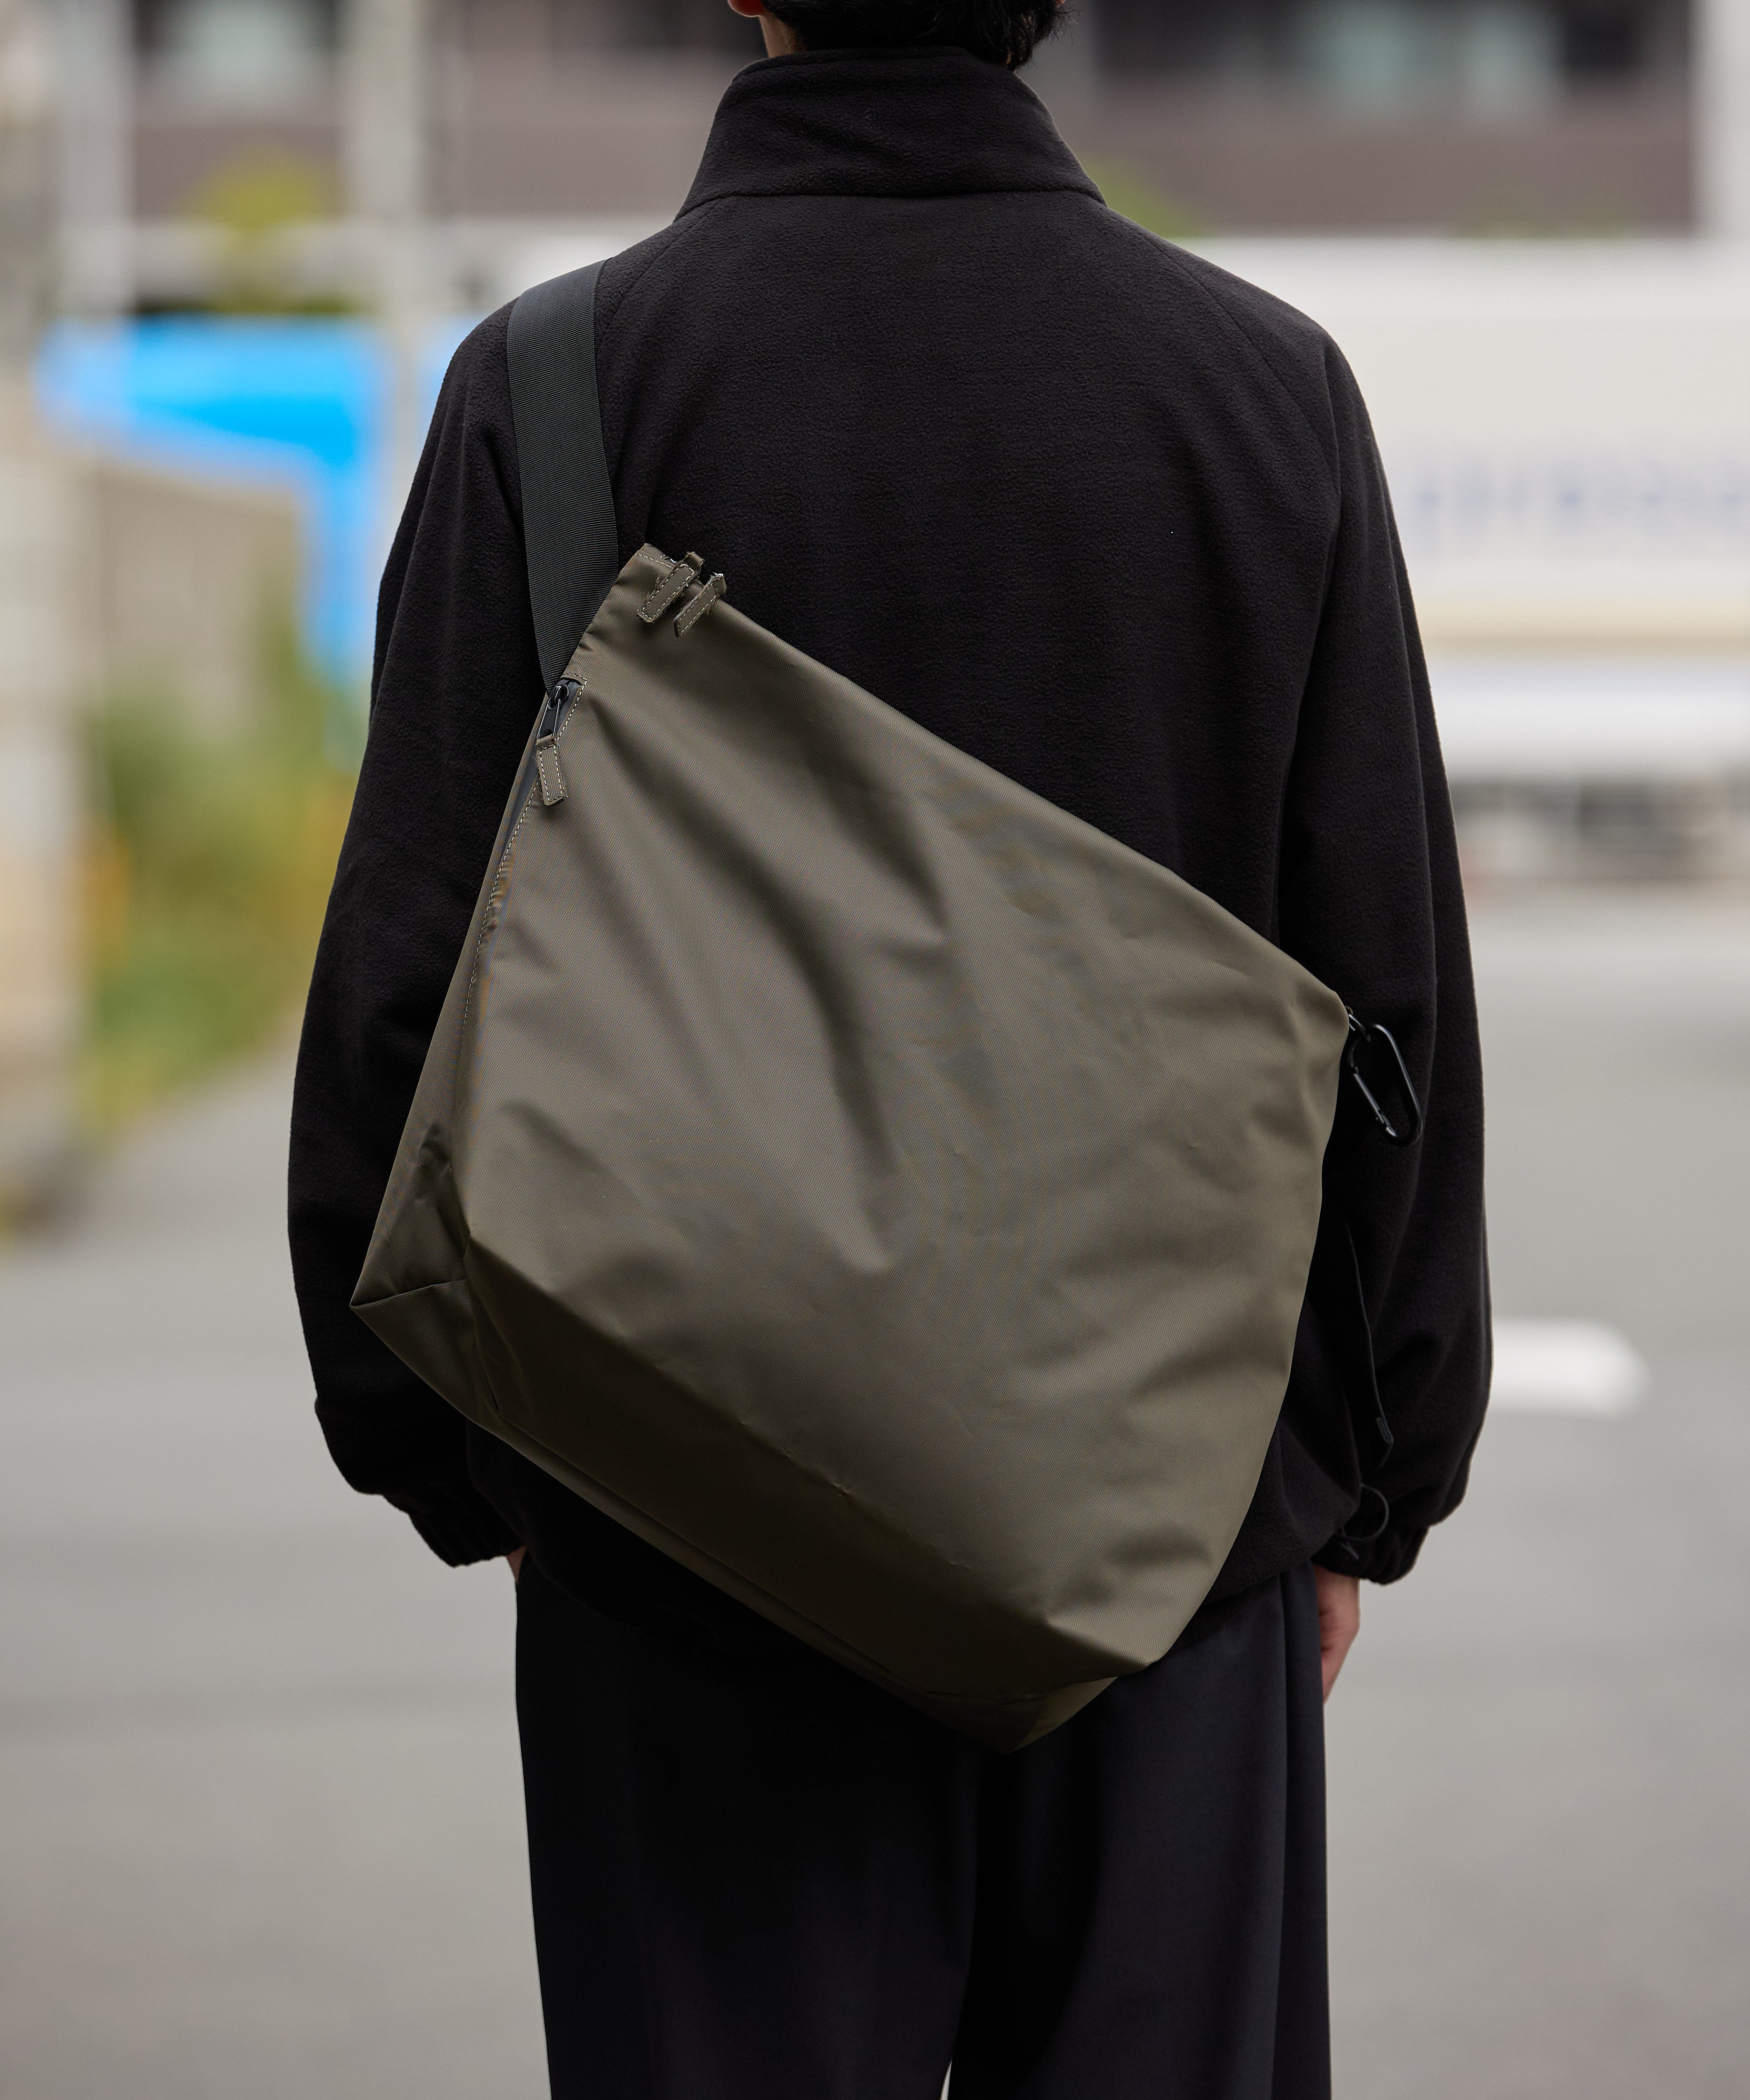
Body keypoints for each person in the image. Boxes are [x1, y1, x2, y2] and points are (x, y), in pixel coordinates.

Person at [289, 2, 1490, 2092]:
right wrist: (1362, 1485)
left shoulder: (555, 388)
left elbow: (412, 976)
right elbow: (1380, 985)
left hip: (673, 1510)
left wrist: (467, 1458)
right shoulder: (1260, 392)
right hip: (1162, 1537)